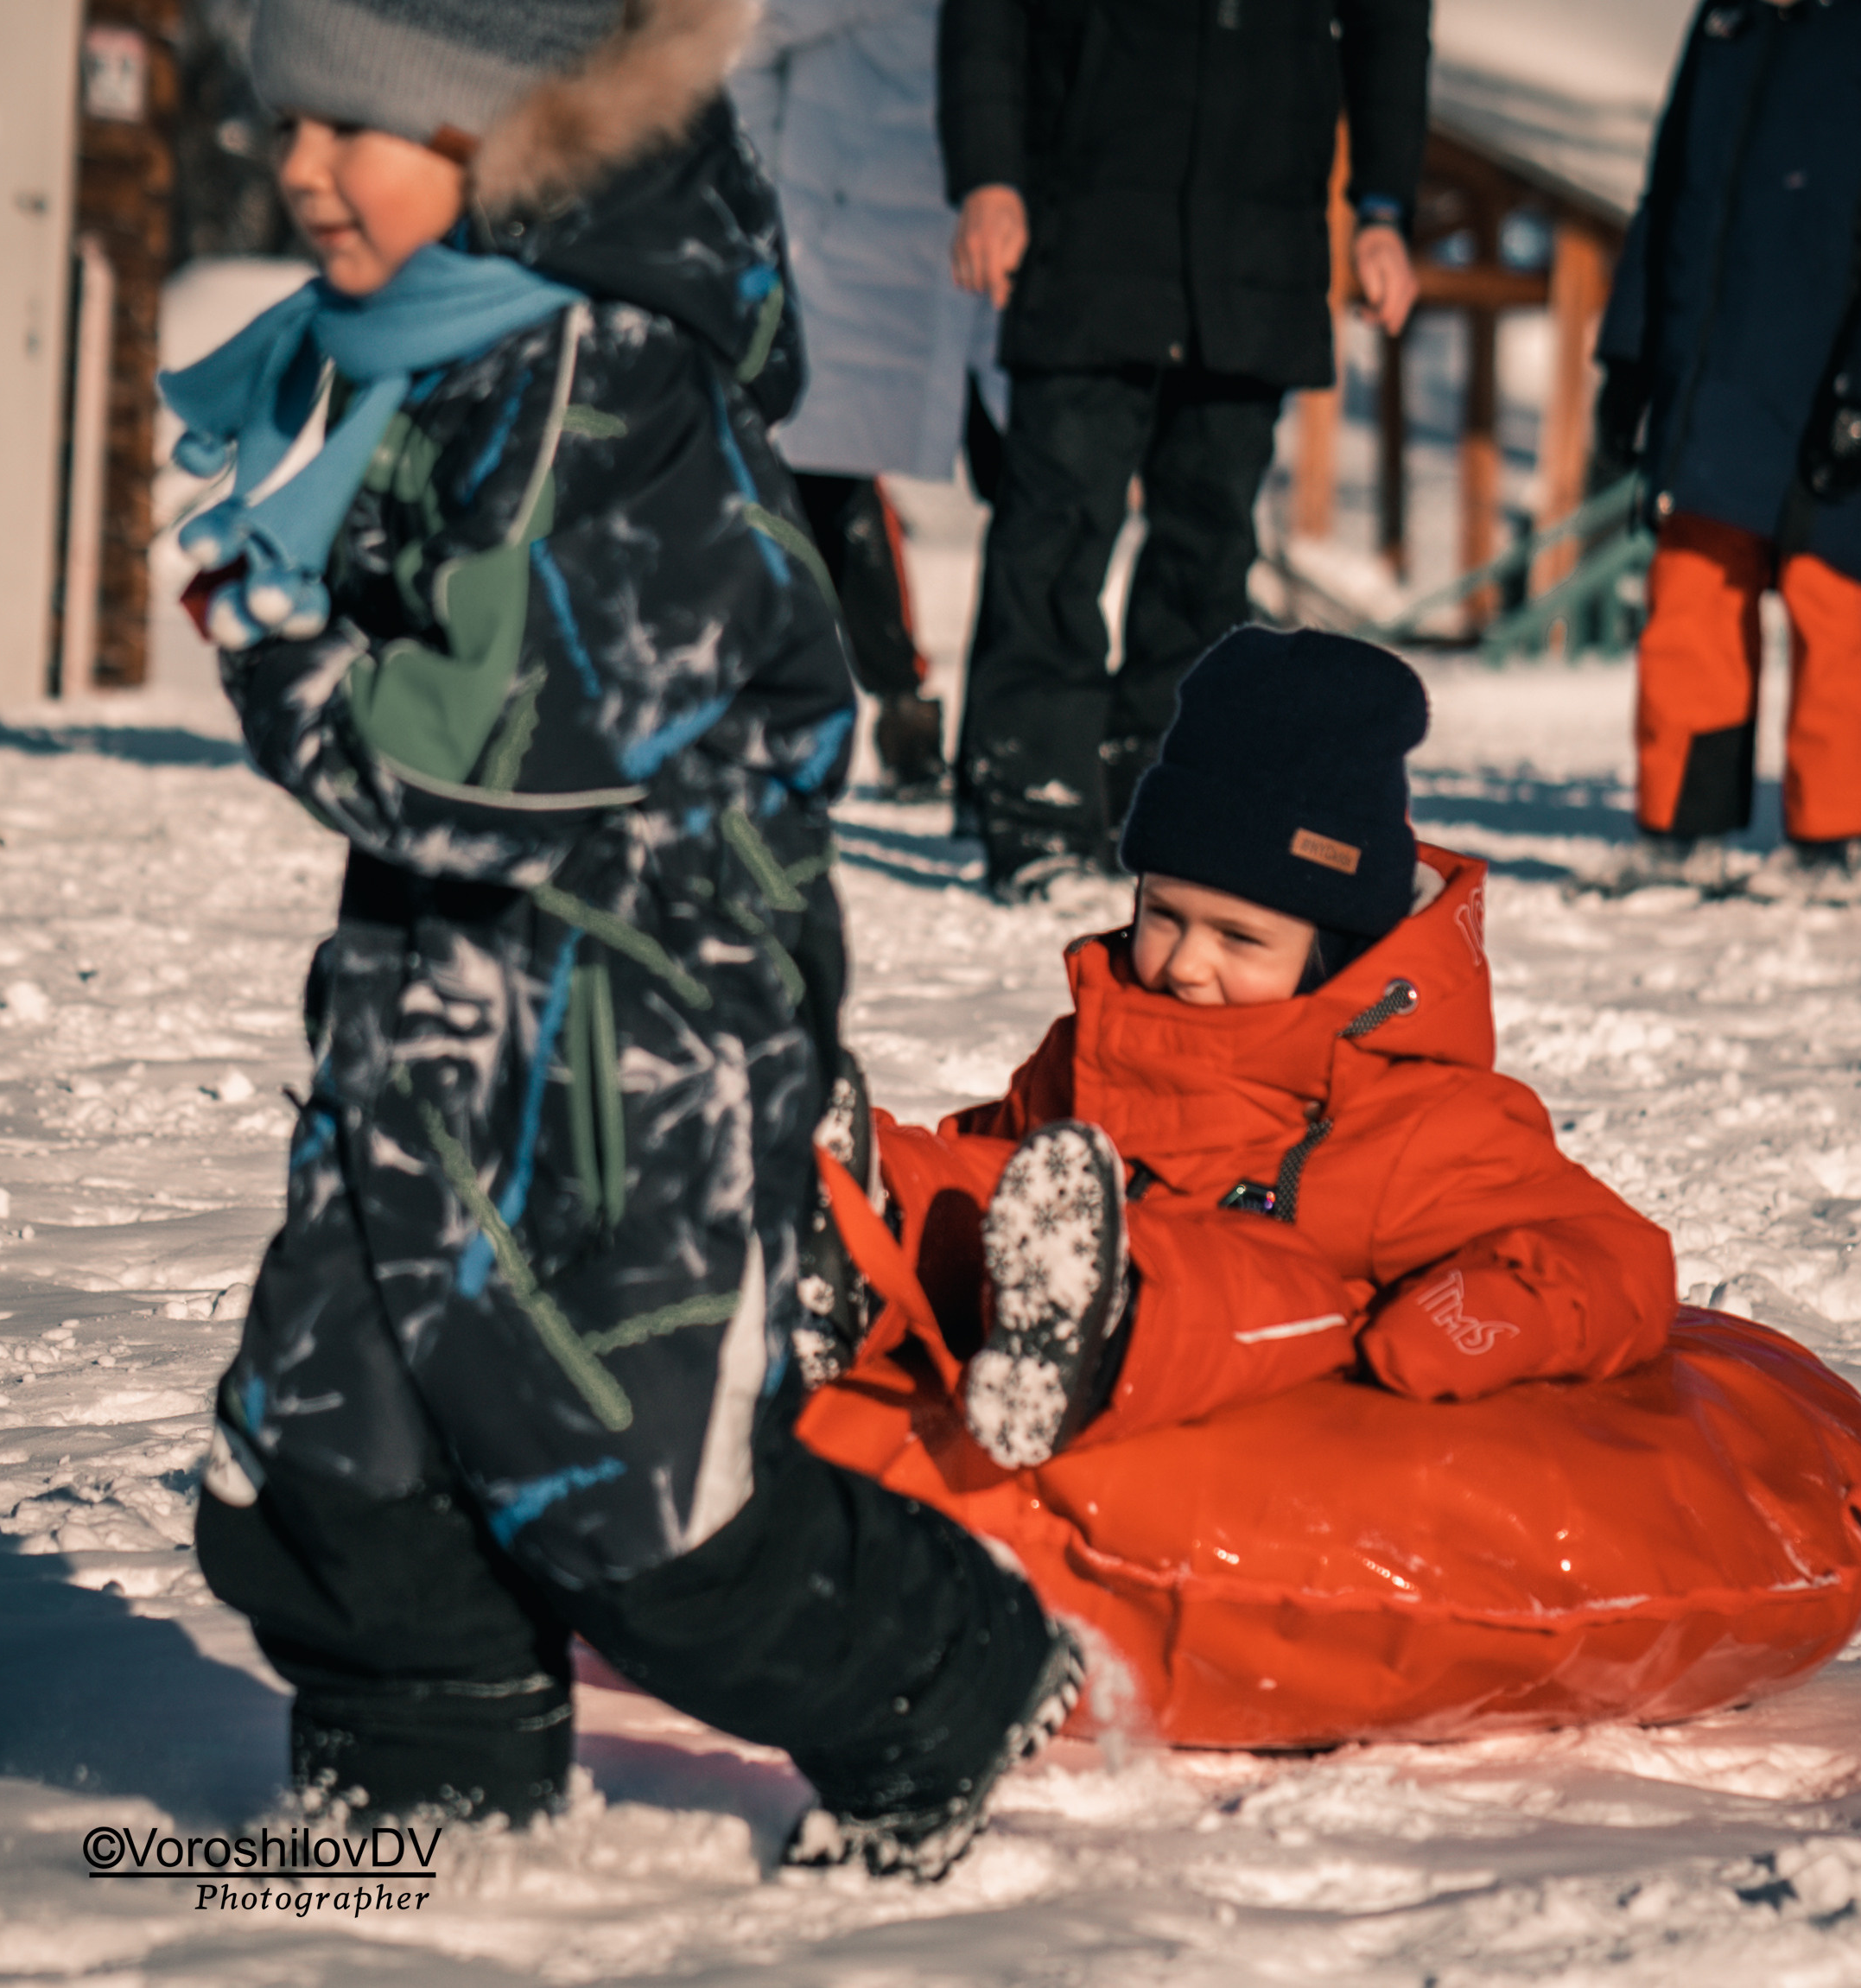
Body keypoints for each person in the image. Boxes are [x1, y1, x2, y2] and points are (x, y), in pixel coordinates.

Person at [175, 0, 1080, 1880]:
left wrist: (287, 659)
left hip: (626, 1055)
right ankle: (423, 1817)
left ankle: (957, 1681)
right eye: (291, 120)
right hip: (433, 1021)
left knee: (634, 1503)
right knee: (328, 1448)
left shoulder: (620, 387)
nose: (300, 165)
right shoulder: (453, 346)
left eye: (355, 119)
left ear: (508, 128)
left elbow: (500, 747)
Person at [824, 629, 1675, 1468]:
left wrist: (1469, 1316)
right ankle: (849, 1227)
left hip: (1242, 1340)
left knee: (1279, 1276)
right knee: (968, 1180)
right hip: (1038, 1283)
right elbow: (990, 1155)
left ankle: (1109, 1319)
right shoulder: (1101, 1040)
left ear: (1333, 952)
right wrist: (917, 1183)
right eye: (1164, 917)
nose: (1188, 965)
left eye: (1238, 937)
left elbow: (1614, 1257)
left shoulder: (1415, 1120)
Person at [940, 0, 1431, 897]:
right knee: (1054, 532)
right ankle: (1036, 808)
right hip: (1085, 211)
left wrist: (1384, 206)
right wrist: (987, 175)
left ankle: (1161, 798)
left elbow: (1389, 25)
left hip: (1259, 234)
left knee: (1209, 550)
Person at [1597, 0, 1861, 883]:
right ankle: (1680, 829)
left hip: (1834, 374)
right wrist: (1629, 360)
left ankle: (1837, 840)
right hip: (1712, 377)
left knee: (1839, 606)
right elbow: (1667, 191)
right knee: (1692, 598)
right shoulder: (1724, 26)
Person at [732, 0, 977, 797]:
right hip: (842, 232)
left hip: (922, 224)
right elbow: (747, 42)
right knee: (827, 473)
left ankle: (916, 704)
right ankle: (895, 699)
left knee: (841, 475)